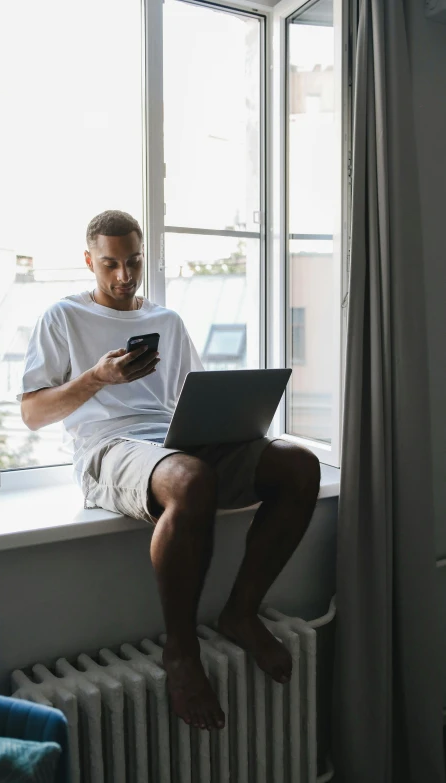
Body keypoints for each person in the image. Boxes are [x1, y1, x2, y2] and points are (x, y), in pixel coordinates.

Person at [19, 209, 321, 732]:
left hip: (173, 442)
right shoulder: (63, 318)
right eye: (110, 264)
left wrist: (231, 424)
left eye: (133, 262)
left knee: (298, 465)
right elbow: (32, 413)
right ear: (89, 260)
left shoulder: (168, 321)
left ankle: (241, 611)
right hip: (109, 448)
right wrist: (96, 377)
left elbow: (191, 400)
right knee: (190, 479)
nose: (123, 276)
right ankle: (181, 651)